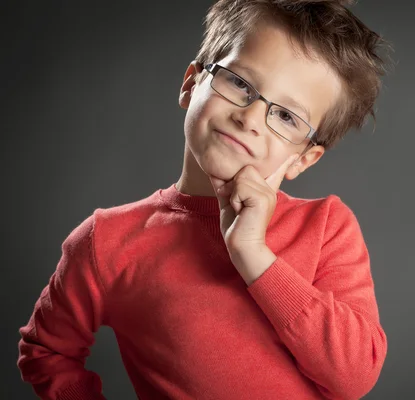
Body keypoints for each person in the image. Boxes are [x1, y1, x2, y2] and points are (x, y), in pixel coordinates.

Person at [17, 0, 391, 398]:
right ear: (191, 83)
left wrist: (254, 257)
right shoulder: (106, 241)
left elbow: (354, 377)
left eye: (286, 116)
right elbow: (46, 351)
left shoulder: (327, 227)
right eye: (240, 84)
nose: (248, 119)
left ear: (303, 158)